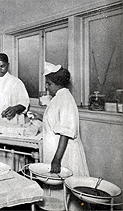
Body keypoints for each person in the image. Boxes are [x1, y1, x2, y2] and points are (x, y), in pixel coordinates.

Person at [36, 62, 89, 210]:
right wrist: (40, 117)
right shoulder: (58, 98)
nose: (46, 87)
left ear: (58, 84)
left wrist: (56, 160)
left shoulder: (65, 99)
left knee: (68, 196)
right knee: (58, 195)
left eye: (49, 84)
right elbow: (56, 123)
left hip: (64, 154)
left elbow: (65, 133)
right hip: (57, 151)